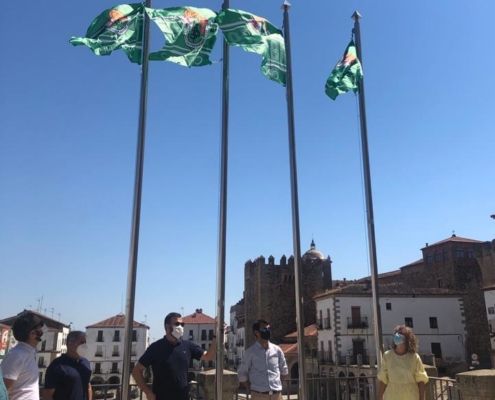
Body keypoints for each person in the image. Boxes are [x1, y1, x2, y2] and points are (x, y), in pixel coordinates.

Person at [132, 312, 216, 400]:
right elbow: (136, 371)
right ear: (167, 327)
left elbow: (208, 356)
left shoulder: (188, 346)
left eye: (182, 324)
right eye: (177, 324)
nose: (180, 327)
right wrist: (148, 392)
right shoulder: (155, 348)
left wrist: (216, 336)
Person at [238, 320, 288, 400]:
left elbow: (284, 371)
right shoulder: (250, 352)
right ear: (256, 333)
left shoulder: (277, 350)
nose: (267, 331)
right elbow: (242, 374)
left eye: (268, 328)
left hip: (277, 395)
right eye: (264, 329)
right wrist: (253, 390)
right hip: (258, 396)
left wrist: (277, 386)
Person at [377, 325, 429, 400]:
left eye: (401, 334)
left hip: (411, 396)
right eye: (397, 333)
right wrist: (380, 397)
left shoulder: (414, 357)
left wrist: (422, 398)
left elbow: (421, 380)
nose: (398, 336)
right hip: (392, 396)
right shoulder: (387, 356)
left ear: (407, 340)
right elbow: (383, 379)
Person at [1, 311, 45, 400]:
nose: (43, 332)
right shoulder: (16, 355)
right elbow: (4, 390)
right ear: (32, 334)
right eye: (40, 330)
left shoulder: (28, 353)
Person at [41, 331, 92, 400]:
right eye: (82, 342)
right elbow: (47, 394)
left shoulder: (86, 363)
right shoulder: (57, 365)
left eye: (85, 342)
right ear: (70, 343)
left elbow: (88, 386)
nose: (85, 345)